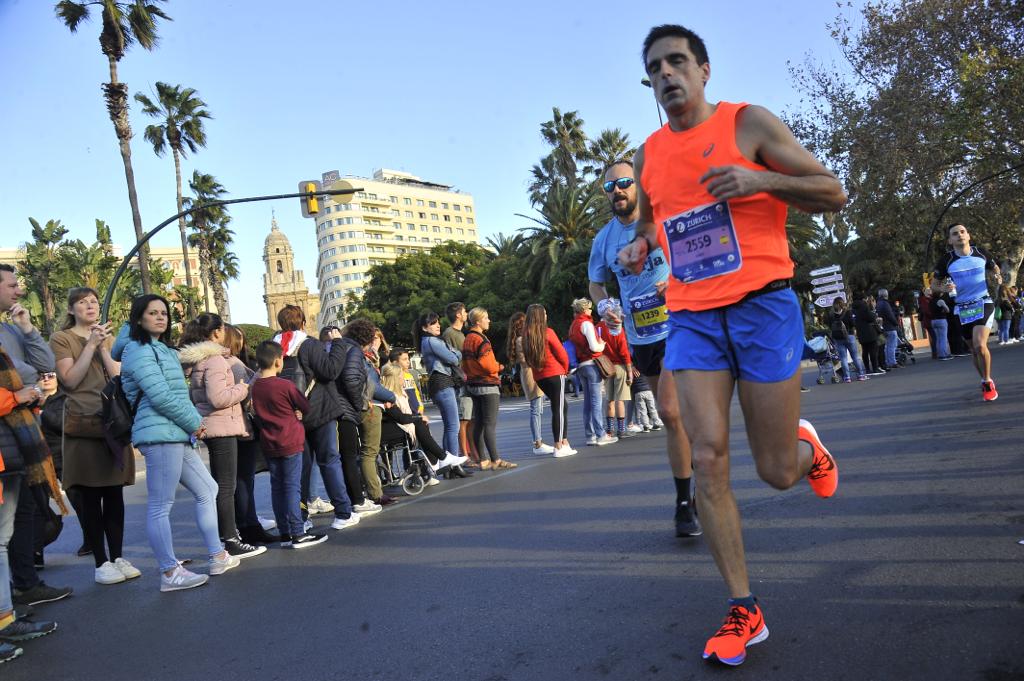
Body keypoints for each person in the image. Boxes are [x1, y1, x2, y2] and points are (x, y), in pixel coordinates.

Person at [618, 25, 845, 666]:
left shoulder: (749, 124)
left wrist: (758, 181)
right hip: (691, 317)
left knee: (775, 473)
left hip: (763, 306)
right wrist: (643, 244)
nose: (667, 74)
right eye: (655, 67)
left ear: (704, 70)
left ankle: (809, 449)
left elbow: (832, 191)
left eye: (677, 62)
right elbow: (656, 220)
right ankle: (744, 608)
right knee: (709, 456)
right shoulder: (649, 154)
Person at [589, 158, 699, 533]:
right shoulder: (603, 240)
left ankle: (684, 505)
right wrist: (604, 305)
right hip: (640, 336)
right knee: (677, 419)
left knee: (668, 410)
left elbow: (697, 251)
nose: (617, 191)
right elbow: (596, 282)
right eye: (610, 187)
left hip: (680, 324)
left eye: (624, 183)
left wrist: (677, 281)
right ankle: (695, 481)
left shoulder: (662, 219)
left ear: (639, 185)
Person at [112, 295, 240, 592]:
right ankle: (169, 572)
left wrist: (190, 423)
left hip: (174, 432)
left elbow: (175, 394)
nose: (160, 317)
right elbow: (160, 396)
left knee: (208, 488)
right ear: (138, 319)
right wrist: (195, 422)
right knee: (160, 505)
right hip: (159, 434)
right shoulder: (138, 350)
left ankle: (217, 555)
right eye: (152, 313)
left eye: (164, 313)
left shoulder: (160, 349)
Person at [49, 287, 140, 585]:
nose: (90, 306)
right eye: (82, 302)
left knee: (115, 493)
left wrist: (102, 346)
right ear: (71, 309)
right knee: (90, 495)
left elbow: (117, 376)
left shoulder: (106, 339)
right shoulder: (61, 338)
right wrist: (89, 345)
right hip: (82, 423)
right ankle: (100, 562)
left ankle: (117, 556)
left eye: (93, 302)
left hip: (112, 423)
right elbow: (70, 380)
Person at [0, 264, 72, 608]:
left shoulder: (10, 329)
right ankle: (17, 595)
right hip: (9, 429)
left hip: (22, 429)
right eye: (12, 285)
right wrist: (18, 395)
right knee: (9, 523)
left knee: (25, 511)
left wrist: (27, 328)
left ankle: (25, 585)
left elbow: (45, 364)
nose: (18, 291)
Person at [178, 313, 265, 560]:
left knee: (222, 485)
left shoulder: (199, 360)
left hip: (214, 426)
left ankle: (227, 536)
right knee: (226, 485)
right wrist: (244, 387)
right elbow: (218, 398)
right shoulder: (215, 361)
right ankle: (230, 539)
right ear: (217, 333)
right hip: (222, 426)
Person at [273, 307, 368, 527]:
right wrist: (337, 344)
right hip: (318, 410)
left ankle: (301, 518)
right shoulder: (308, 344)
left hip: (291, 413)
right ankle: (343, 513)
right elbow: (330, 371)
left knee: (301, 468)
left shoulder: (274, 346)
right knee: (329, 461)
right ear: (303, 322)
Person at [0, 371, 61, 663]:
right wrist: (14, 397)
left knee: (2, 542)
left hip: (10, 456)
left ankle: (6, 620)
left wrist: (30, 395)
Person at [250, 341, 327, 548]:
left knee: (277, 487)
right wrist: (297, 412)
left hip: (269, 441)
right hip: (290, 439)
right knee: (292, 486)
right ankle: (297, 532)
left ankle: (284, 532)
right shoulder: (285, 385)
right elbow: (305, 406)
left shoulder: (255, 387)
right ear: (278, 361)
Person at [932, 223, 1002, 401]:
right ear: (950, 240)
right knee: (973, 350)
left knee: (980, 345)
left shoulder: (981, 253)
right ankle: (983, 378)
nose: (960, 235)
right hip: (961, 308)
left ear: (968, 235)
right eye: (955, 234)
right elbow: (934, 285)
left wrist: (996, 275)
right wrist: (946, 289)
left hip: (983, 302)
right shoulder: (946, 260)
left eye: (962, 232)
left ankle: (987, 381)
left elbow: (995, 268)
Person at [224, 324, 279, 545]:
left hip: (234, 427)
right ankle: (249, 525)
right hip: (241, 427)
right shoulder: (235, 365)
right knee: (244, 480)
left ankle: (245, 524)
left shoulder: (226, 363)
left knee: (240, 480)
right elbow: (244, 397)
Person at [379, 364, 465, 474]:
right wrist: (418, 417)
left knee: (421, 423)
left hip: (398, 426)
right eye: (401, 376)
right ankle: (440, 459)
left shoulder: (399, 393)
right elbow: (401, 418)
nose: (403, 378)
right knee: (419, 423)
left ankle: (437, 462)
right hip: (389, 430)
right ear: (394, 379)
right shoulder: (388, 396)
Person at [462, 307, 515, 470]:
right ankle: (496, 459)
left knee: (478, 423)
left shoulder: (468, 338)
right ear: (478, 321)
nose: (489, 321)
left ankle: (483, 460)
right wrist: (499, 366)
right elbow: (487, 365)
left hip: (473, 384)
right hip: (487, 384)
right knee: (489, 424)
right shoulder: (481, 340)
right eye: (486, 318)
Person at [522, 304, 576, 457]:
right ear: (540, 316)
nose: (546, 316)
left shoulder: (526, 335)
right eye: (544, 314)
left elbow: (527, 358)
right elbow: (562, 354)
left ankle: (564, 442)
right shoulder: (548, 332)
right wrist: (564, 370)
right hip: (555, 372)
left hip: (539, 376)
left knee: (561, 406)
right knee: (558, 409)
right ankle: (558, 446)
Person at [415, 311, 464, 461]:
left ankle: (448, 462)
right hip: (442, 382)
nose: (438, 325)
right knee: (453, 426)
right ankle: (453, 462)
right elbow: (454, 358)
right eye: (433, 323)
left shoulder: (428, 341)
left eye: (438, 322)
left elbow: (455, 355)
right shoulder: (432, 341)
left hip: (440, 383)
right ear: (424, 328)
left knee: (450, 425)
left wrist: (455, 354)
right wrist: (454, 354)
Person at [568, 298, 616, 446]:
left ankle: (590, 436)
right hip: (591, 365)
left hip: (580, 366)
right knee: (596, 402)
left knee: (587, 403)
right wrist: (602, 345)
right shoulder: (586, 324)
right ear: (584, 310)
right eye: (589, 308)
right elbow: (594, 347)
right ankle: (601, 434)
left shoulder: (573, 325)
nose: (591, 310)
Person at [507, 312, 554, 455]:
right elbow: (526, 359)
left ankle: (538, 441)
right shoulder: (521, 340)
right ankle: (537, 443)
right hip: (530, 375)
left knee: (538, 410)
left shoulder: (520, 339)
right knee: (535, 410)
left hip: (531, 374)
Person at [441, 302, 478, 465]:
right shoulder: (450, 333)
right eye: (464, 311)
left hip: (466, 379)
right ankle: (464, 454)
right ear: (458, 315)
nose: (466, 314)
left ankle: (471, 453)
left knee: (470, 419)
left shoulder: (460, 333)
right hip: (460, 381)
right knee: (464, 420)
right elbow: (452, 359)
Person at [596, 301, 634, 438]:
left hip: (605, 367)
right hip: (619, 366)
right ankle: (622, 430)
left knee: (609, 399)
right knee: (620, 399)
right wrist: (629, 370)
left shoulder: (598, 328)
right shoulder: (616, 327)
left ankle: (610, 429)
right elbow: (624, 351)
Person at [824, 298, 867, 382]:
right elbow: (853, 323)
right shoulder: (847, 312)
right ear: (842, 303)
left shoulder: (831, 314)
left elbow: (829, 325)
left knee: (843, 358)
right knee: (855, 356)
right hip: (849, 336)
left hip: (838, 338)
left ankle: (847, 377)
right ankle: (861, 375)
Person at [851, 294, 883, 375]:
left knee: (865, 351)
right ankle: (875, 368)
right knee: (873, 351)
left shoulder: (853, 308)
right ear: (863, 299)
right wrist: (874, 315)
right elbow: (871, 318)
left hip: (860, 332)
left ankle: (867, 369)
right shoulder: (864, 307)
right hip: (869, 331)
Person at [876, 289, 900, 370]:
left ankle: (886, 361)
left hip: (883, 327)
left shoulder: (878, 303)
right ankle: (892, 362)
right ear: (886, 295)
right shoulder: (885, 304)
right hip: (890, 327)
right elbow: (890, 315)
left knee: (886, 346)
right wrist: (896, 323)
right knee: (892, 345)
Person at [929, 289, 954, 360]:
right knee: (943, 338)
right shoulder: (940, 301)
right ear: (939, 294)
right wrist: (943, 310)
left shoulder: (930, 301)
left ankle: (939, 354)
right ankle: (944, 355)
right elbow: (947, 310)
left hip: (933, 321)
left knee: (938, 338)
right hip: (941, 320)